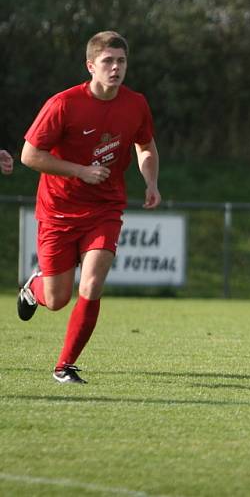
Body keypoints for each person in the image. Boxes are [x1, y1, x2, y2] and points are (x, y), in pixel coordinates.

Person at [17, 30, 161, 384]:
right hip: (58, 210)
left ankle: (64, 366)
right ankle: (33, 288)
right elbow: (29, 155)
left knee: (93, 284)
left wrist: (152, 182)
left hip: (105, 208)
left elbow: (145, 146)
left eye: (121, 61)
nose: (116, 68)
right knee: (57, 299)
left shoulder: (136, 104)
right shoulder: (63, 104)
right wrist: (79, 171)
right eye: (108, 61)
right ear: (90, 66)